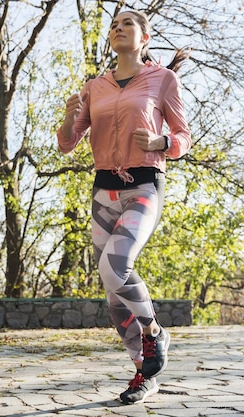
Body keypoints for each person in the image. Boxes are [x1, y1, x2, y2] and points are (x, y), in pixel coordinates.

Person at [56, 9, 192, 405]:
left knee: (114, 266)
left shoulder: (163, 80)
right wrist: (68, 116)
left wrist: (160, 144)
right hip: (104, 190)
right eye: (114, 25)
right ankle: (143, 372)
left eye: (127, 24)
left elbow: (184, 137)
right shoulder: (94, 87)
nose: (118, 29)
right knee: (114, 295)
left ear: (144, 38)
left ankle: (154, 333)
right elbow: (68, 143)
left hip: (145, 185)